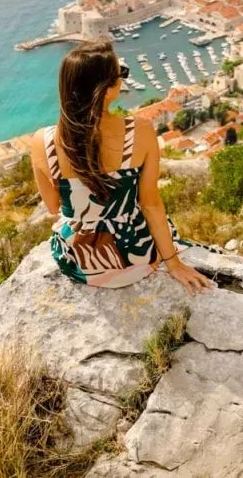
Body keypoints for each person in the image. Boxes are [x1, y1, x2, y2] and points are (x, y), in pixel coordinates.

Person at [30, 39, 214, 295]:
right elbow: (150, 204)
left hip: (81, 262)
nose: (124, 79)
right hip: (135, 256)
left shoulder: (42, 141)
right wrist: (173, 263)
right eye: (122, 74)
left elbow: (52, 206)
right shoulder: (139, 131)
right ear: (107, 88)